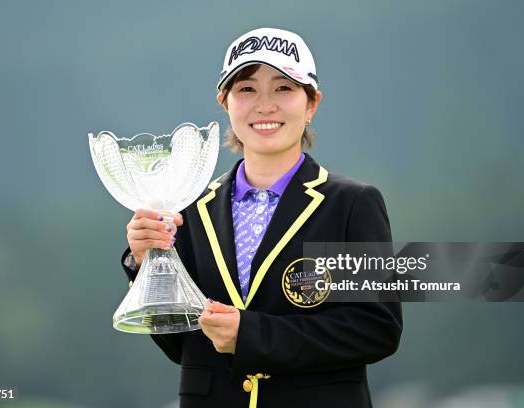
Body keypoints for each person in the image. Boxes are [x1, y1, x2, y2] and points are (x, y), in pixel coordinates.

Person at [121, 27, 402, 408]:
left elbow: (376, 330)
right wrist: (145, 262)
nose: (265, 105)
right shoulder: (188, 207)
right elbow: (178, 344)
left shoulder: (351, 204)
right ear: (225, 102)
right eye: (247, 89)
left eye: (284, 89)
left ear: (312, 103)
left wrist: (251, 335)